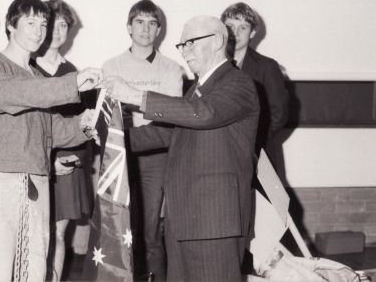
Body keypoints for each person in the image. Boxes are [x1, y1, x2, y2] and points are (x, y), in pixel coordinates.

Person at [104, 15, 259, 281]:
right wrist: (110, 137)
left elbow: (202, 114)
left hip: (214, 221)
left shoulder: (238, 83)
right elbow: (166, 132)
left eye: (191, 43)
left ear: (218, 41)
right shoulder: (199, 89)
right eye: (182, 45)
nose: (184, 51)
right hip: (185, 218)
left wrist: (134, 96)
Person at [0, 0, 102, 281]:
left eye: (43, 24)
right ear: (10, 26)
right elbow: (16, 94)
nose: (39, 30)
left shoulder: (35, 76)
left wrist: (83, 123)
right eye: (30, 22)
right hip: (0, 178)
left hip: (37, 179)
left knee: (33, 267)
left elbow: (51, 129)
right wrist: (74, 82)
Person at [102, 0, 183, 280]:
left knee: (150, 233)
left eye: (152, 23)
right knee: (122, 230)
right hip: (120, 158)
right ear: (129, 27)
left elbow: (168, 118)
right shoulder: (111, 65)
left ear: (159, 30)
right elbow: (112, 117)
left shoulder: (172, 70)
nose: (145, 29)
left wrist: (132, 101)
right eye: (139, 22)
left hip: (154, 158)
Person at [35, 0, 92, 281]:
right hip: (33, 162)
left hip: (66, 163)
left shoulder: (74, 73)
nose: (57, 32)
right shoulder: (27, 67)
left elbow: (80, 127)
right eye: (52, 24)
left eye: (63, 25)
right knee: (35, 233)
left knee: (58, 232)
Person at [221, 2, 289, 162]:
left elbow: (278, 114)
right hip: (219, 152)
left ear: (252, 33)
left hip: (255, 153)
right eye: (230, 26)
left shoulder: (267, 67)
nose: (235, 33)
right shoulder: (209, 63)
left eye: (243, 28)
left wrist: (252, 139)